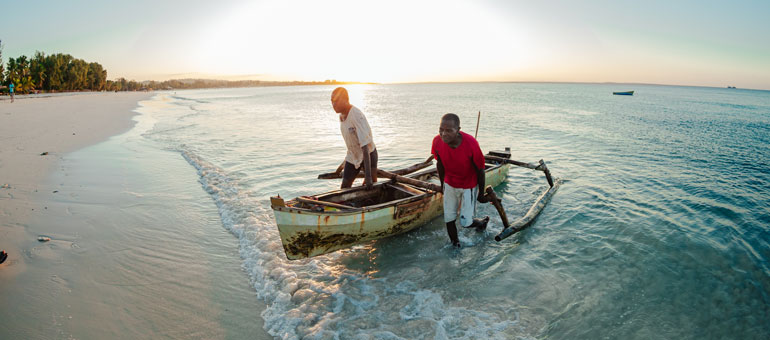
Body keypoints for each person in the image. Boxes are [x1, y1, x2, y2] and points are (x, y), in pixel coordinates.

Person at [431, 113, 490, 247]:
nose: (443, 134)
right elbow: (439, 164)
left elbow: (480, 170)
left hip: (468, 186)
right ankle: (455, 244)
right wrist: (442, 186)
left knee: (466, 222)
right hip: (449, 184)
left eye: (449, 130)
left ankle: (481, 222)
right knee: (449, 218)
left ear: (458, 130)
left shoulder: (471, 144)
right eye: (441, 129)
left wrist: (480, 194)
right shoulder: (437, 141)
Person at [331, 87, 377, 189]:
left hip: (368, 155)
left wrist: (368, 176)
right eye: (332, 102)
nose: (333, 105)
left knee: (371, 187)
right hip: (353, 156)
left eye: (336, 101)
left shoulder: (356, 115)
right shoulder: (341, 116)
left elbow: (365, 147)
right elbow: (351, 144)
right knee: (345, 187)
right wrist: (339, 170)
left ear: (345, 100)